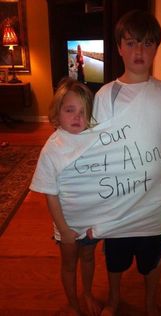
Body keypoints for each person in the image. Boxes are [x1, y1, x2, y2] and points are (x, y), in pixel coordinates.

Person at [90, 9, 161, 316]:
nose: (140, 51)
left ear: (156, 48)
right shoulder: (105, 96)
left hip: (154, 203)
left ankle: (151, 303)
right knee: (115, 257)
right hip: (118, 204)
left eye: (148, 43)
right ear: (119, 47)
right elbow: (95, 151)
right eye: (132, 42)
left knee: (151, 259)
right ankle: (113, 299)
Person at [30, 77, 101, 316]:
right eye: (70, 110)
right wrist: (63, 228)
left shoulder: (94, 138)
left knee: (89, 258)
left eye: (83, 112)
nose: (77, 117)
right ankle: (72, 304)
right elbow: (50, 193)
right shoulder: (52, 148)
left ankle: (88, 294)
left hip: (93, 222)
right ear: (57, 112)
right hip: (67, 224)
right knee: (70, 264)